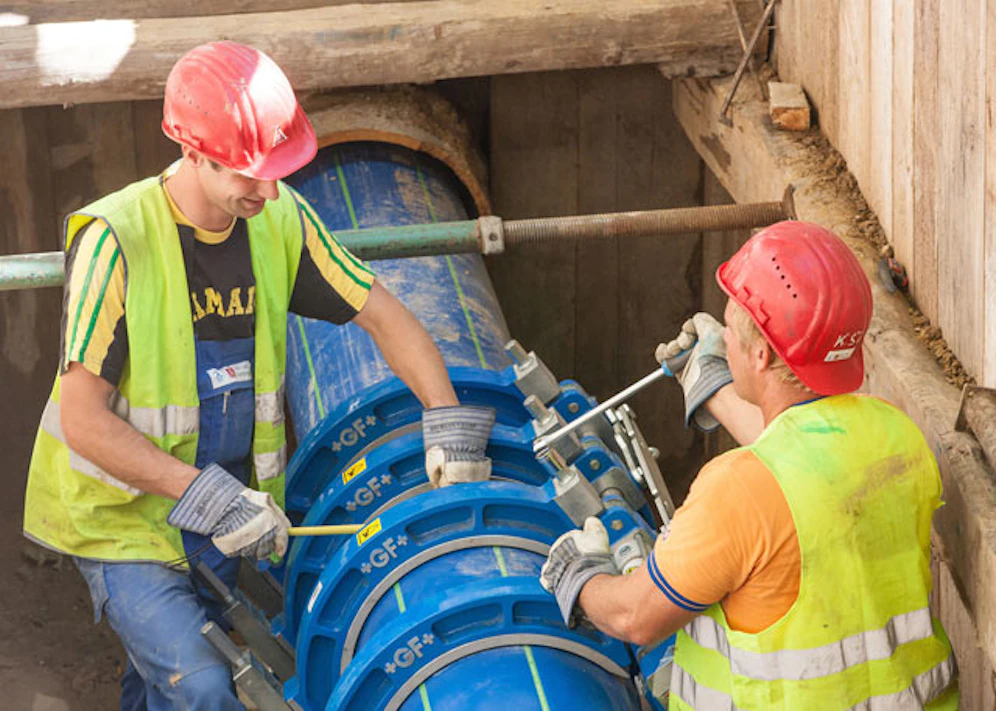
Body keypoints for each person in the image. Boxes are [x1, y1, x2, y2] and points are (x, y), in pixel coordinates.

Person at [22, 41, 494, 711]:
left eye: (276, 170)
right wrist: (209, 496)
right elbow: (83, 420)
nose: (269, 189)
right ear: (192, 151)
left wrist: (444, 418)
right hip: (121, 520)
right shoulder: (116, 241)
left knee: (164, 674)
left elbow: (387, 316)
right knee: (208, 685)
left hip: (220, 517)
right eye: (249, 172)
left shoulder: (278, 220)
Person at [540, 221, 958, 710]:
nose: (725, 342)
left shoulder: (737, 490)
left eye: (732, 334)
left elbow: (636, 617)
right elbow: (805, 473)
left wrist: (580, 576)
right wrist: (714, 385)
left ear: (761, 353)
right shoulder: (897, 436)